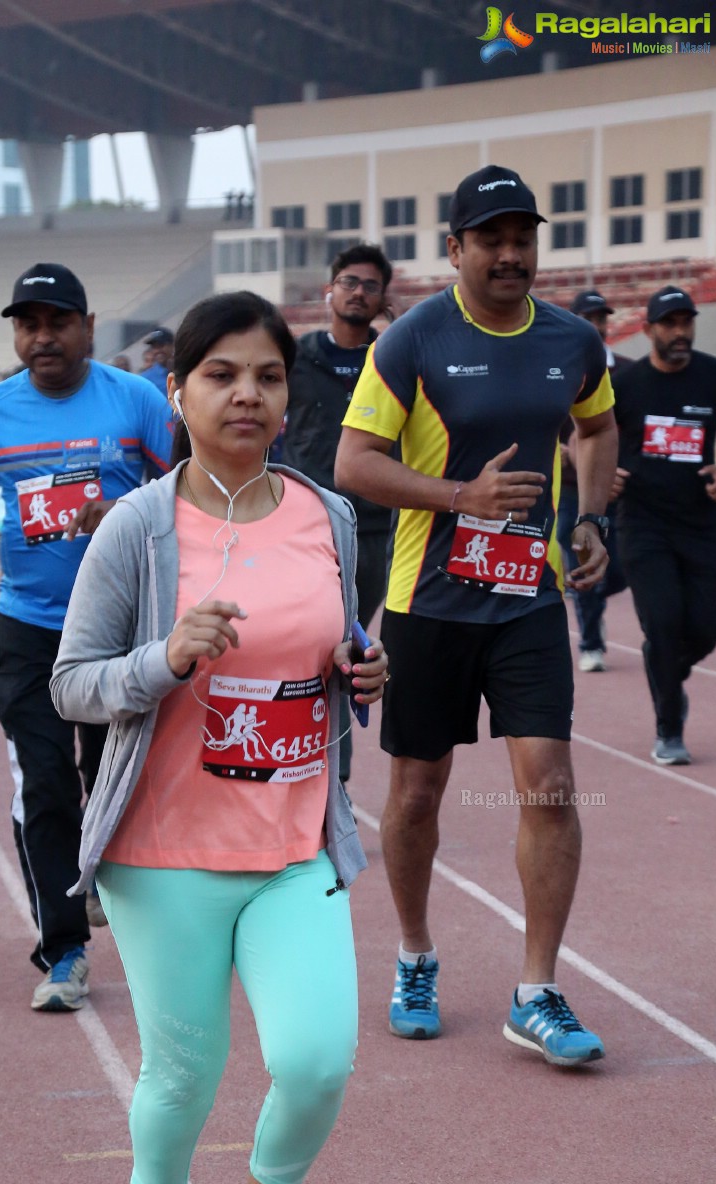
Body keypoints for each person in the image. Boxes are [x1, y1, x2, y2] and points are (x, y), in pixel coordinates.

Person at [50, 291, 386, 1184]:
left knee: (319, 1056)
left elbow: (339, 642)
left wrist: (360, 668)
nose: (247, 394)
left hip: (293, 843)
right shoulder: (138, 527)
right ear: (177, 391)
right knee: (183, 1071)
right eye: (222, 375)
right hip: (164, 855)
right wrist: (167, 657)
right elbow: (71, 684)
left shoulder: (324, 513)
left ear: (289, 394)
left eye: (268, 376)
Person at [336, 165, 617, 1068]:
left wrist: (590, 517)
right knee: (417, 794)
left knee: (551, 784)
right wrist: (464, 497)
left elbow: (599, 428)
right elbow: (353, 461)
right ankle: (414, 955)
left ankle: (536, 990)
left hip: (528, 599)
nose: (509, 254)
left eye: (522, 238)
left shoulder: (573, 340)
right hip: (429, 603)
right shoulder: (413, 341)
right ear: (454, 249)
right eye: (489, 239)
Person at [0, 262, 173, 1010]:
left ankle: (105, 886)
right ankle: (63, 948)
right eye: (28, 325)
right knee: (46, 782)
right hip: (30, 628)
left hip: (122, 630)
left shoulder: (136, 401)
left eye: (57, 322)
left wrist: (121, 516)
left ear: (88, 328)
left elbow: (186, 494)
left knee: (111, 782)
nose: (42, 338)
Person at [281, 241, 395, 781]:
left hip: (375, 531)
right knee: (329, 646)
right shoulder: (297, 358)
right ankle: (331, 778)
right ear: (330, 289)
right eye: (349, 281)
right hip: (309, 527)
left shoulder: (393, 359)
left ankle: (333, 780)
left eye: (370, 285)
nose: (358, 292)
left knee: (348, 647)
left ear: (381, 298)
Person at [611, 285, 716, 766]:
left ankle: (664, 667)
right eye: (670, 323)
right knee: (664, 621)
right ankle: (669, 726)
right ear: (650, 329)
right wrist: (600, 472)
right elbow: (584, 436)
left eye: (686, 322)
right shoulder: (627, 385)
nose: (680, 332)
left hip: (703, 524)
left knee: (705, 628)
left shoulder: (712, 374)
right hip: (644, 524)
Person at [557, 290, 631, 673]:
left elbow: (632, 431)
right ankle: (591, 642)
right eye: (588, 317)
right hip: (572, 491)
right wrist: (566, 453)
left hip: (621, 490)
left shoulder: (629, 371)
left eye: (601, 317)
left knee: (618, 572)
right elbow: (543, 429)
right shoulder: (558, 369)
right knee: (584, 564)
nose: (597, 325)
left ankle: (597, 601)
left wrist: (621, 466)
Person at [139, 328, 174, 395]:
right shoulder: (146, 379)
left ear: (172, 346)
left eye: (161, 345)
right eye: (154, 347)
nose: (157, 351)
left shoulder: (186, 371)